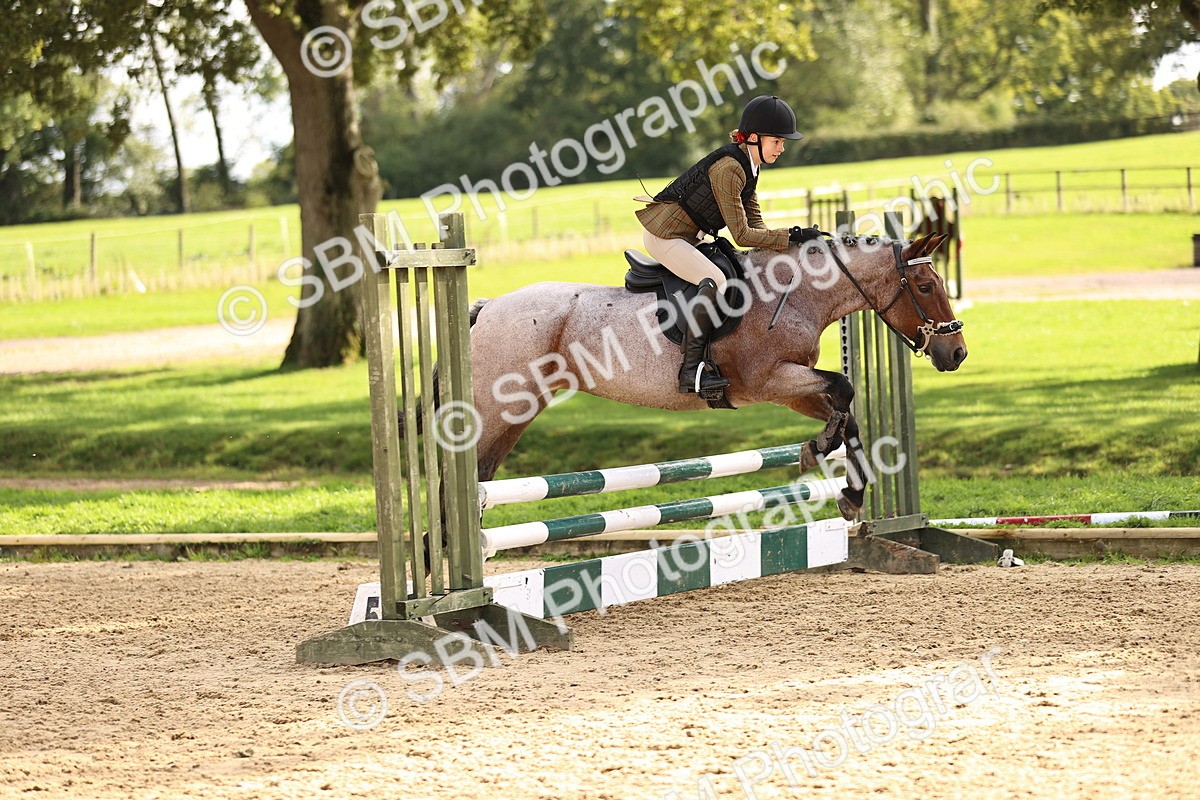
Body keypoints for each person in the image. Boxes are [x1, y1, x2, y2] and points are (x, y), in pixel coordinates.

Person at [636, 95, 822, 395]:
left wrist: (795, 238)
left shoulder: (750, 167)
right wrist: (790, 235)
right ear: (752, 138)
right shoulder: (729, 168)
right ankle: (690, 371)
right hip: (666, 236)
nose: (782, 147)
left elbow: (757, 225)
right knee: (715, 280)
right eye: (777, 140)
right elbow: (743, 236)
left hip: (689, 236)